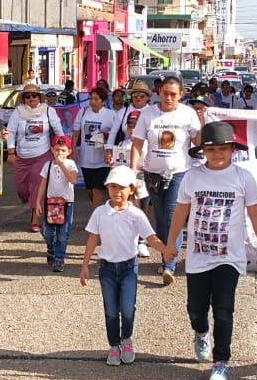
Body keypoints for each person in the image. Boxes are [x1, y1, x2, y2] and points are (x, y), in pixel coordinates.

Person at [165, 121, 257, 380]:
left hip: (229, 258)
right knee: (196, 309)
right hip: (198, 257)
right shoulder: (193, 177)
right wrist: (170, 244)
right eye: (212, 149)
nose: (218, 154)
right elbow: (181, 211)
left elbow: (255, 214)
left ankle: (221, 362)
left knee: (224, 309)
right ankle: (201, 333)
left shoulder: (243, 177)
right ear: (203, 151)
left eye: (223, 149)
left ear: (233, 150)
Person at [78, 166, 171, 366]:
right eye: (112, 187)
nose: (117, 191)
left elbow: (150, 237)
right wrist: (85, 265)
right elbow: (93, 238)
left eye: (122, 187)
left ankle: (126, 339)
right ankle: (114, 345)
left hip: (129, 267)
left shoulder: (136, 214)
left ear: (131, 189)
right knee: (111, 309)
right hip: (107, 269)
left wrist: (165, 250)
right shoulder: (100, 213)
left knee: (127, 308)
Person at [131, 75, 203, 285]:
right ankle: (166, 255)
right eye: (165, 93)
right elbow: (137, 143)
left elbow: (198, 142)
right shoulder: (148, 114)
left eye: (173, 94)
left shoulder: (188, 114)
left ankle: (169, 264)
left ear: (181, 94)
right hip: (152, 174)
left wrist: (202, 121)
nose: (169, 98)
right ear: (159, 92)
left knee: (173, 219)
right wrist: (132, 171)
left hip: (179, 174)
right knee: (161, 219)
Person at [6, 82, 64, 232]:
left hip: (42, 155)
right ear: (23, 99)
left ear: (39, 97)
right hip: (22, 157)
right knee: (21, 189)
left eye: (34, 95)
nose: (31, 98)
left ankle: (35, 219)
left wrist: (62, 149)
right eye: (27, 96)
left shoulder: (48, 111)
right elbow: (11, 132)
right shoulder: (18, 112)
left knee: (37, 186)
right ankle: (33, 203)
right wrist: (11, 152)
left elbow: (59, 132)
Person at [106, 107, 152, 256]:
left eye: (136, 126)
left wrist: (142, 168)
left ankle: (142, 242)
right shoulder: (121, 144)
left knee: (141, 211)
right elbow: (116, 165)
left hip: (141, 182)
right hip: (124, 185)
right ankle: (126, 241)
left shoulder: (148, 144)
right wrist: (112, 163)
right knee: (124, 212)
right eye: (130, 125)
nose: (132, 129)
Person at [35, 135, 79, 272]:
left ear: (69, 151)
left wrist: (61, 164)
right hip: (51, 203)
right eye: (57, 150)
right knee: (47, 231)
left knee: (63, 233)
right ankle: (51, 249)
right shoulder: (47, 165)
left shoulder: (70, 164)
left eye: (63, 150)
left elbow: (73, 180)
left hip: (66, 203)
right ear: (52, 150)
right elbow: (42, 184)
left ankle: (59, 259)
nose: (60, 153)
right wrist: (38, 201)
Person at [74, 85, 119, 204]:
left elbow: (116, 135)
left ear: (103, 101)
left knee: (97, 189)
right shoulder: (83, 112)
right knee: (89, 190)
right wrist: (73, 150)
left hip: (101, 160)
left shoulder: (111, 115)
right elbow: (76, 131)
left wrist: (104, 136)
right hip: (85, 158)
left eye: (96, 99)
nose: (92, 102)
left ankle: (96, 214)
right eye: (91, 98)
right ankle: (99, 209)